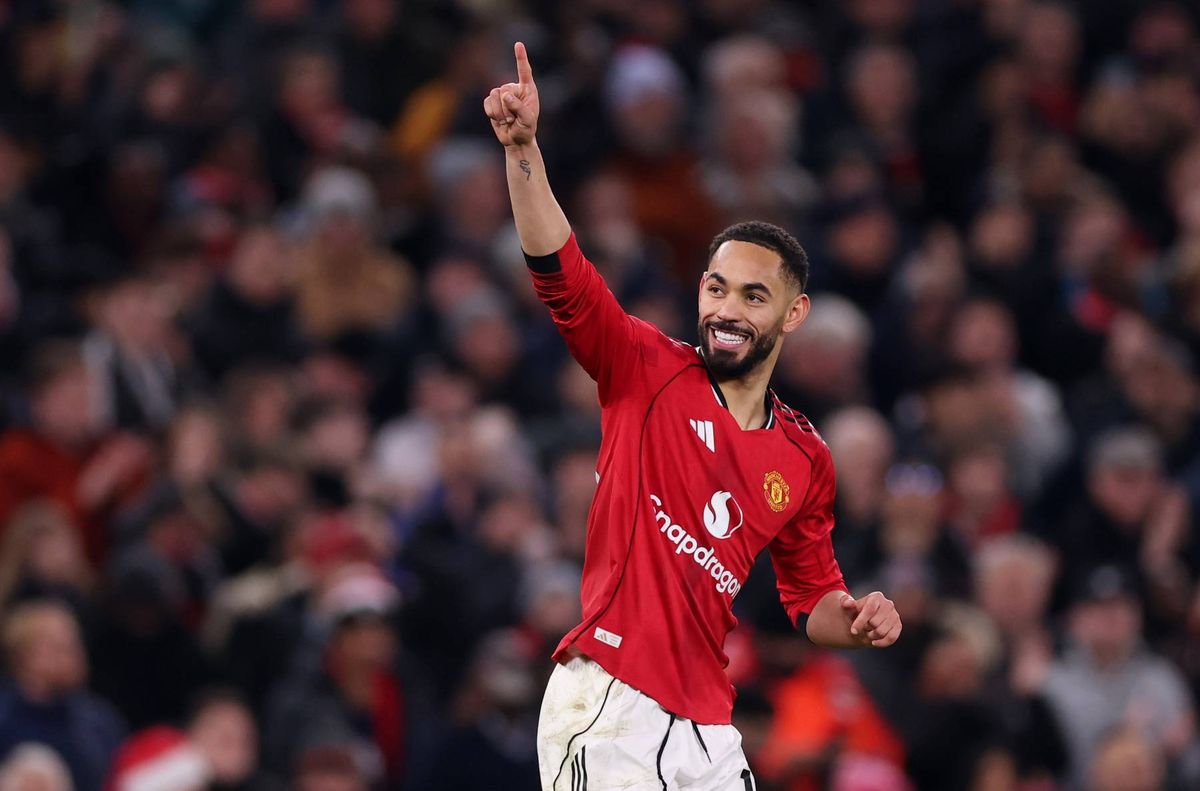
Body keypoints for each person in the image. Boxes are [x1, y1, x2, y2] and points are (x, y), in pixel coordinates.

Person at [483, 43, 902, 791]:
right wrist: (523, 152)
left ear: (793, 313)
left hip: (708, 726)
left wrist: (859, 620)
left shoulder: (804, 459)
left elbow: (812, 601)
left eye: (751, 295)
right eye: (715, 287)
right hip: (610, 696)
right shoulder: (647, 369)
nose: (725, 308)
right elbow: (562, 274)